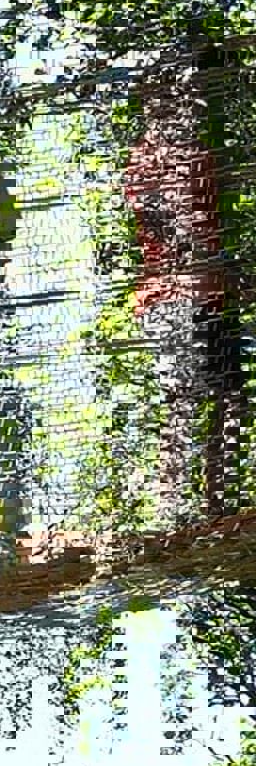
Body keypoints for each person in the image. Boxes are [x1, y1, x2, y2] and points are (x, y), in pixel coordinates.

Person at [121, 52, 247, 523]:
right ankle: (174, 508)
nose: (190, 99)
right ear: (157, 100)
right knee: (186, 400)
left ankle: (217, 502)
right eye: (180, 91)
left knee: (226, 395)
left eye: (192, 91)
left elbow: (200, 227)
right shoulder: (151, 160)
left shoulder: (190, 153)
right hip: (176, 297)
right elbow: (169, 226)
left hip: (204, 293)